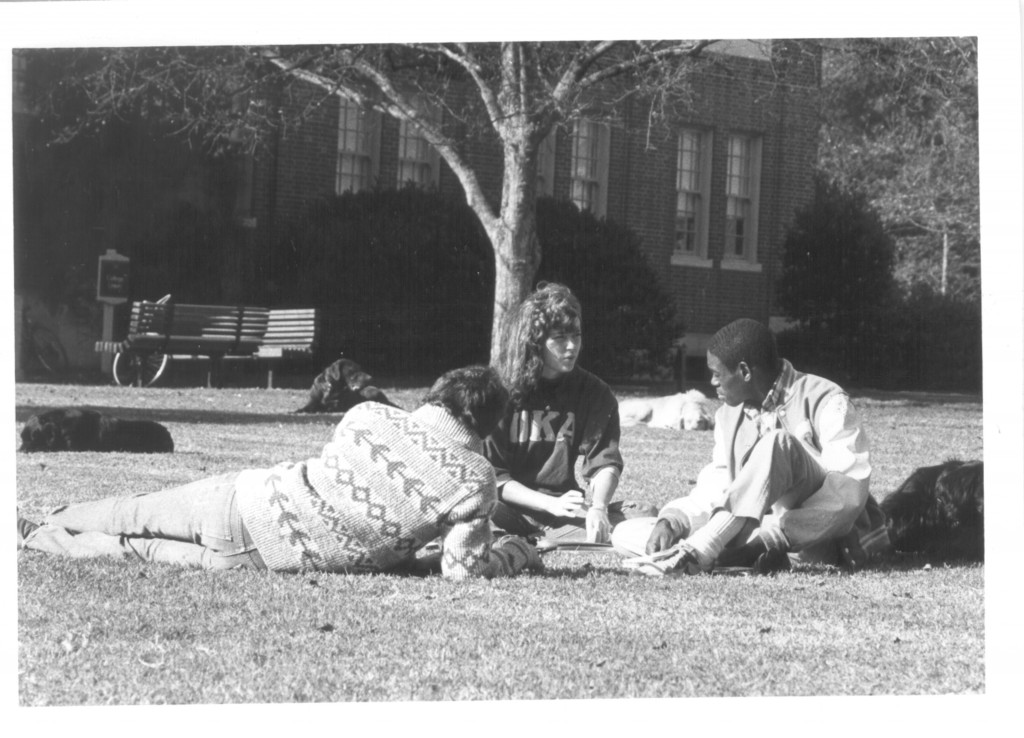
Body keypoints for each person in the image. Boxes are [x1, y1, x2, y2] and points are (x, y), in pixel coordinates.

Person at [17, 365, 543, 580]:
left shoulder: (369, 415)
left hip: (245, 498)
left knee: (132, 512)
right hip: (263, 559)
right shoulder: (474, 480)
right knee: (137, 549)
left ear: (436, 396)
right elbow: (463, 571)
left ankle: (46, 516)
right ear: (487, 423)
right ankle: (39, 537)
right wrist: (520, 552)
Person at [611, 318, 890, 574]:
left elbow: (847, 495)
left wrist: (773, 535)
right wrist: (672, 521)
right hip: (753, 530)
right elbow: (720, 484)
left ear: (744, 371)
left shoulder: (827, 399)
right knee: (625, 533)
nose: (712, 383)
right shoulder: (727, 415)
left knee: (776, 444)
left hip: (818, 538)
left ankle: (703, 549)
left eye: (717, 374)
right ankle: (712, 555)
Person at [484, 282, 656, 544]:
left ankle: (541, 538)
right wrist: (546, 504)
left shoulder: (595, 392)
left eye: (576, 335)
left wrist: (598, 507)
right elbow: (493, 476)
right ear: (536, 341)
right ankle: (528, 538)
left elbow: (604, 462)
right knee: (477, 511)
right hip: (507, 510)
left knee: (644, 513)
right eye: (560, 337)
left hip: (562, 511)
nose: (572, 346)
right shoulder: (500, 391)